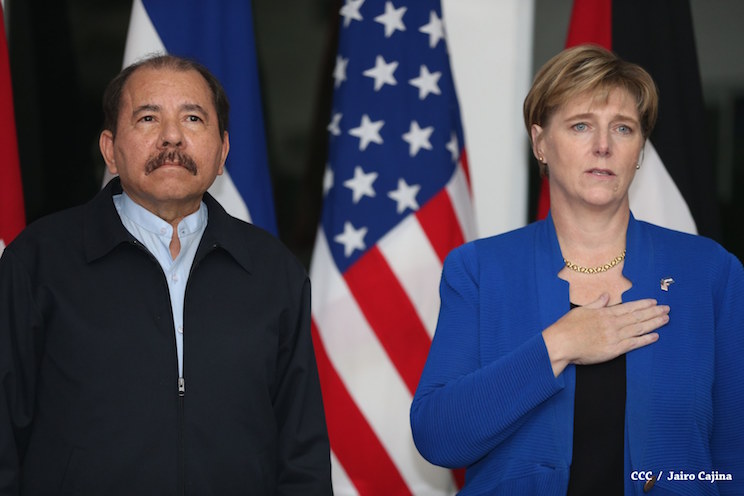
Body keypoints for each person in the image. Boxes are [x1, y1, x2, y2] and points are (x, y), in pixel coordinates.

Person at [410, 44, 744, 495]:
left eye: (622, 128)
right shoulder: (479, 271)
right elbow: (437, 436)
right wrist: (560, 344)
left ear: (639, 149)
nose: (603, 146)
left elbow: (733, 459)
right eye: (581, 125)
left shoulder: (710, 272)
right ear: (540, 143)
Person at [0, 54, 332, 495]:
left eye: (192, 118)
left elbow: (302, 455)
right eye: (148, 118)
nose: (172, 136)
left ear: (222, 152)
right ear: (109, 150)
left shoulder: (273, 272)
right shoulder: (39, 263)